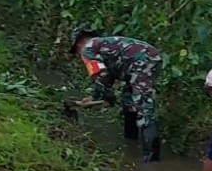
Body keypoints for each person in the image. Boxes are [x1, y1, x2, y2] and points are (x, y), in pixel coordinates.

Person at [68, 28, 163, 162]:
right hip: (146, 59)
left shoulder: (87, 49)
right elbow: (108, 73)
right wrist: (97, 96)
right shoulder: (102, 44)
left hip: (142, 62)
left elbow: (100, 74)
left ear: (78, 44)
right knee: (128, 99)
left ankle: (152, 159)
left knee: (144, 107)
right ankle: (131, 141)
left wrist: (107, 98)